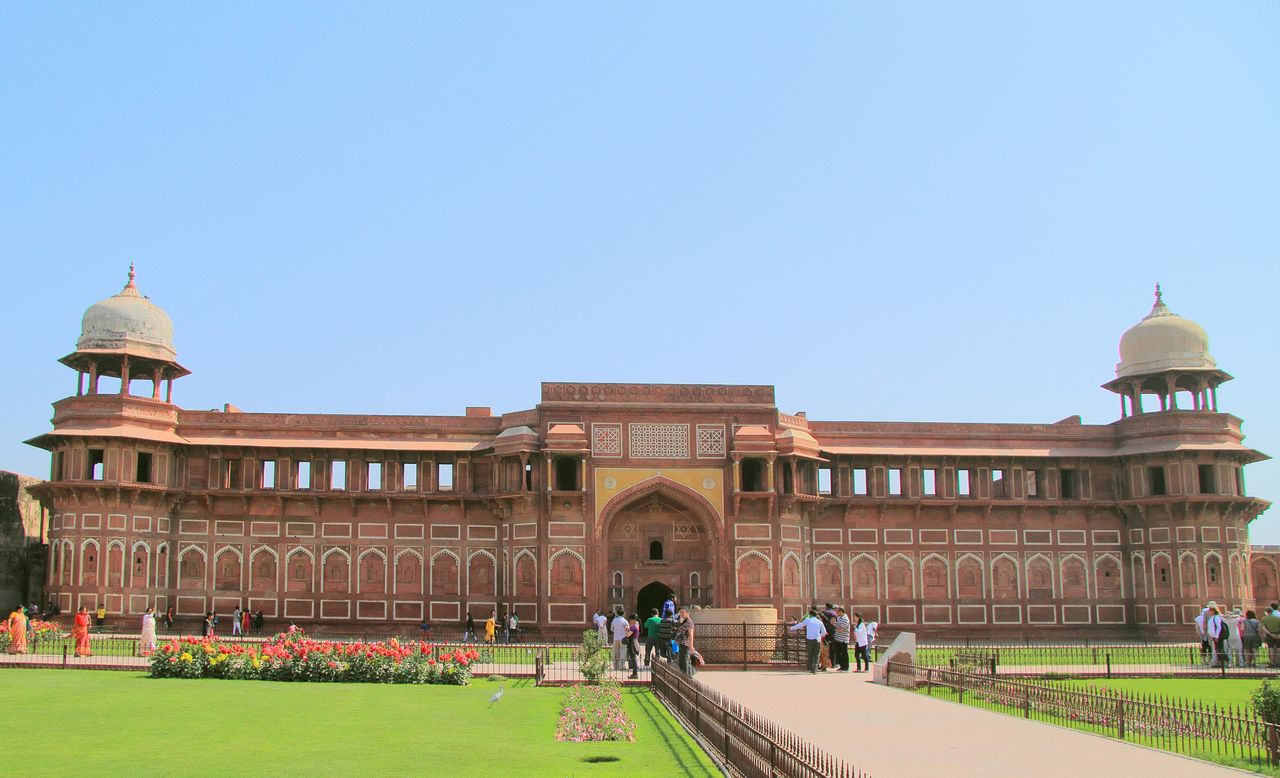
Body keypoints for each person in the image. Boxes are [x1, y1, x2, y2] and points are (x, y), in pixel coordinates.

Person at [788, 608, 827, 674]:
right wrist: (819, 636)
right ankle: (815, 668)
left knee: (810, 653)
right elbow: (824, 632)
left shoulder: (808, 620)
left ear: (810, 614)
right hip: (817, 639)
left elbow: (800, 625)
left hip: (810, 639)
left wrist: (791, 628)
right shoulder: (819, 622)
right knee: (817, 654)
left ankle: (811, 667)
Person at [672, 608, 697, 676]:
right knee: (682, 661)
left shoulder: (689, 622)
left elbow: (691, 634)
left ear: (688, 613)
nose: (681, 614)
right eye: (680, 612)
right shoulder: (683, 621)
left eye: (683, 612)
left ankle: (687, 677)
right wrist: (677, 640)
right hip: (682, 644)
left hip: (686, 644)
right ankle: (685, 675)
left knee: (685, 661)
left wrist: (691, 645)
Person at [830, 606, 851, 672]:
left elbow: (841, 629)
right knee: (839, 653)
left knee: (844, 654)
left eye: (837, 611)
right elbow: (837, 625)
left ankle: (845, 667)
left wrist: (834, 624)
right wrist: (833, 622)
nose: (836, 613)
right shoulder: (839, 617)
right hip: (838, 638)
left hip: (843, 639)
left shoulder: (845, 619)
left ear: (841, 612)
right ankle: (842, 666)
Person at [626, 614, 641, 679]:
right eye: (630, 619)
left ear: (635, 620)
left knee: (633, 658)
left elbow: (627, 635)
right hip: (634, 642)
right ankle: (634, 673)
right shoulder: (636, 626)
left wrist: (626, 630)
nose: (630, 621)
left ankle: (635, 674)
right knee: (633, 658)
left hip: (632, 643)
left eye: (631, 619)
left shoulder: (633, 627)